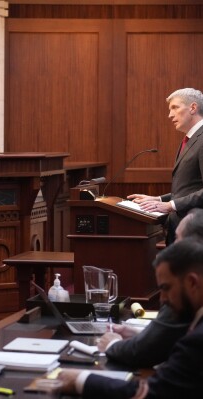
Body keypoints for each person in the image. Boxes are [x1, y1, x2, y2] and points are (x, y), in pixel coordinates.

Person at [58, 238, 203, 398]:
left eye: (166, 288)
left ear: (192, 283)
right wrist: (139, 336)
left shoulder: (197, 341)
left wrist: (81, 380)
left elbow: (151, 393)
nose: (162, 299)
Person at [97, 209, 203, 368]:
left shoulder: (184, 289)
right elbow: (171, 339)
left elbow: (146, 351)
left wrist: (112, 344)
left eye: (177, 239)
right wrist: (139, 335)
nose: (171, 247)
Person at [128, 88, 203, 245]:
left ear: (193, 108)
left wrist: (170, 205)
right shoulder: (191, 139)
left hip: (195, 232)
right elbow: (191, 187)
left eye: (175, 107)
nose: (170, 115)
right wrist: (160, 199)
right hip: (183, 229)